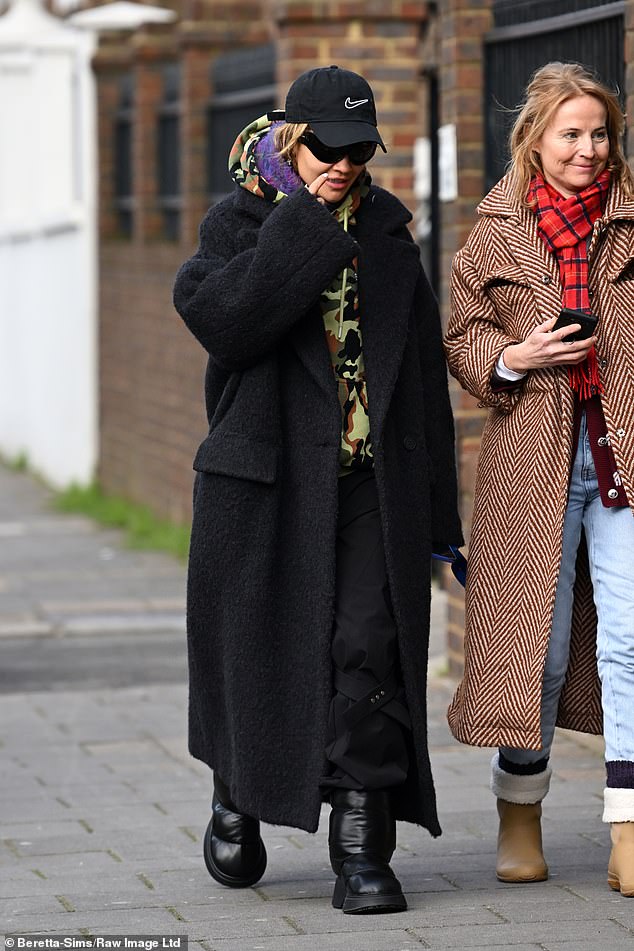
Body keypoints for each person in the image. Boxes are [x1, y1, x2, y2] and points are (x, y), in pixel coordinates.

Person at [172, 64, 463, 914]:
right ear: (291, 141)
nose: (343, 164)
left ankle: (363, 846)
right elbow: (229, 324)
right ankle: (239, 787)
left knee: (367, 647)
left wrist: (439, 518)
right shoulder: (235, 225)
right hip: (262, 482)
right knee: (259, 654)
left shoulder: (389, 234)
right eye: (326, 148)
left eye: (359, 148)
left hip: (371, 480)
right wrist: (301, 225)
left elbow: (420, 385)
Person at [445, 61, 634, 897]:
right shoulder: (494, 233)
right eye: (572, 134)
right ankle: (519, 811)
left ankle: (627, 824)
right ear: (536, 139)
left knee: (630, 642)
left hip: (623, 457)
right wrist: (514, 358)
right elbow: (462, 338)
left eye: (601, 134)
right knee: (542, 650)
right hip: (535, 462)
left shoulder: (631, 224)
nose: (589, 149)